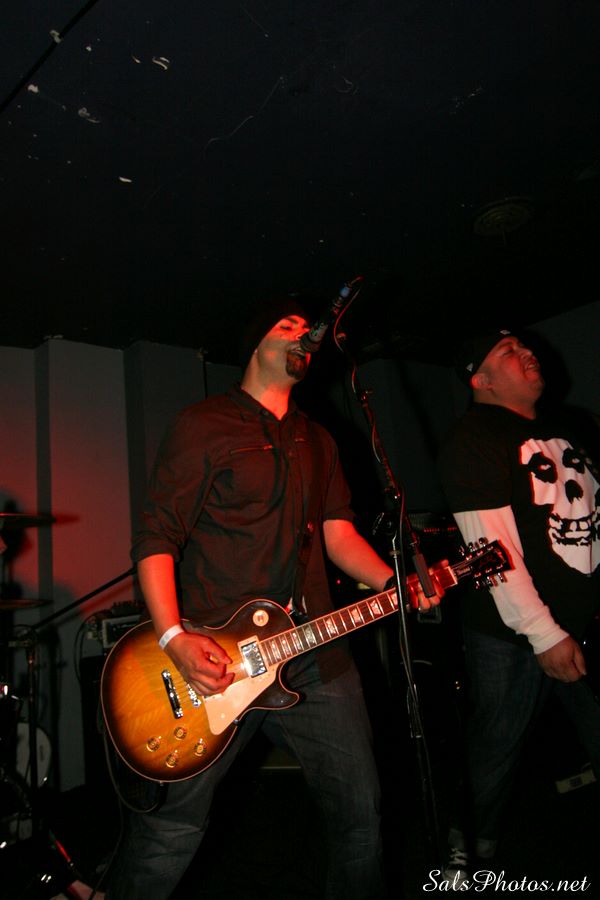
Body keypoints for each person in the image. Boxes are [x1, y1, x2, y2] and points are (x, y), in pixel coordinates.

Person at [106, 299, 424, 900]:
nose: (305, 336)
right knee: (170, 832)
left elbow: (338, 534)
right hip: (215, 663)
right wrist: (174, 638)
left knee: (361, 820)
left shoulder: (319, 439)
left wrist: (392, 583)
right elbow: (156, 537)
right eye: (288, 327)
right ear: (257, 345)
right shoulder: (204, 425)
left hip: (315, 658)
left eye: (309, 331)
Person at [437, 328, 600, 881]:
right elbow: (492, 551)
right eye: (507, 352)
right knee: (495, 747)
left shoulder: (568, 429)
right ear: (480, 380)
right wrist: (543, 632)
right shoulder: (473, 437)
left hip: (584, 619)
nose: (525, 351)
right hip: (512, 634)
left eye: (522, 345)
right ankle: (468, 848)